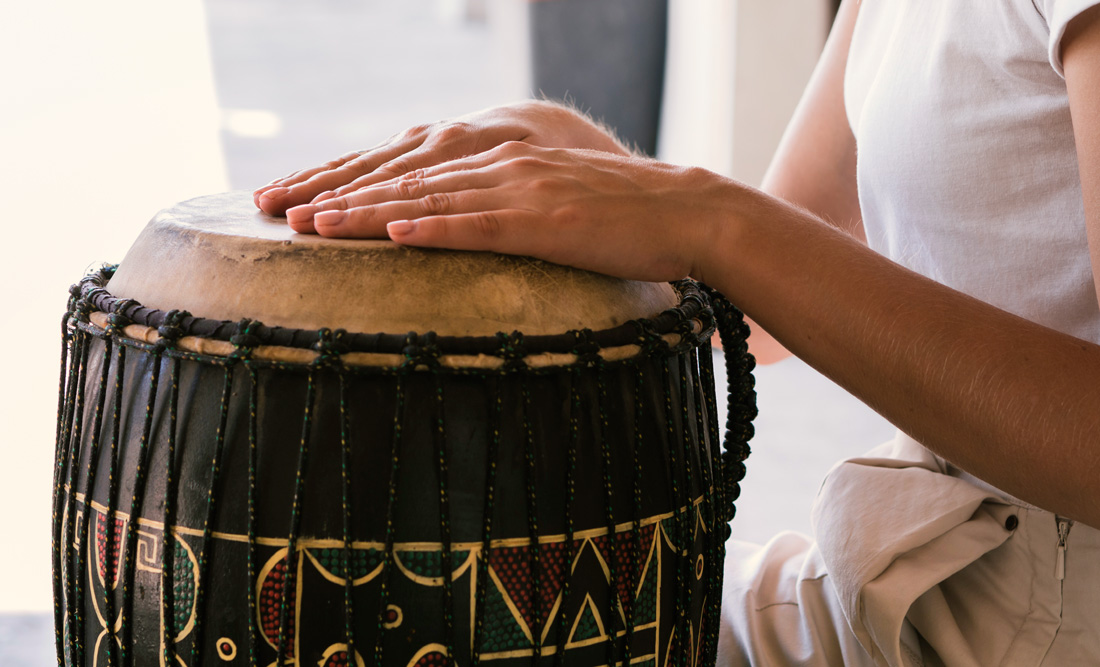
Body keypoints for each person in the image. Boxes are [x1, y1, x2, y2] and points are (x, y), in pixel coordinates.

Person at [252, 0, 1100, 663]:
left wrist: (707, 215)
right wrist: (604, 174)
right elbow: (770, 296)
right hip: (916, 580)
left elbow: (748, 244)